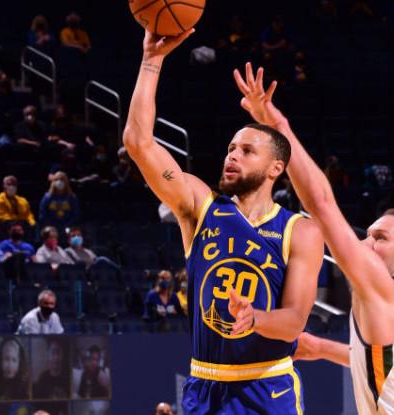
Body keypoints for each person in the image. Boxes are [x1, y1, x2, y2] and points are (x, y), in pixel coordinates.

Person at [123, 30, 323, 414]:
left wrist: (254, 318)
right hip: (205, 384)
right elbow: (138, 143)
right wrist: (152, 60)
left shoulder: (299, 231)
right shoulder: (200, 207)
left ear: (275, 168)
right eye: (231, 148)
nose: (232, 155)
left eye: (247, 151)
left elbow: (294, 321)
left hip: (267, 386)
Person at [234, 62, 394, 413]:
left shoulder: (383, 289)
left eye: (380, 238)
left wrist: (277, 125)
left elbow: (320, 205)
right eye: (368, 235)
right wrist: (321, 348)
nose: (366, 243)